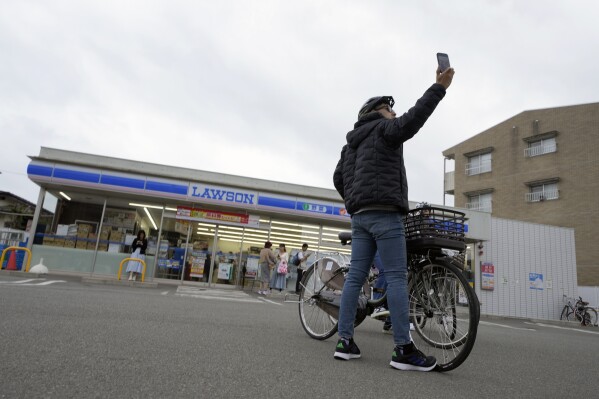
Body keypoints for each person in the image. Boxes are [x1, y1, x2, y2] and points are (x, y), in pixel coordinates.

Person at [332, 64, 454, 371]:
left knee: (355, 278)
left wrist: (354, 201)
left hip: (360, 218)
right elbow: (413, 120)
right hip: (386, 214)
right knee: (398, 277)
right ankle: (403, 349)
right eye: (387, 107)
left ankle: (344, 342)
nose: (392, 112)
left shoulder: (351, 146)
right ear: (373, 112)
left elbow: (338, 178)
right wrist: (438, 88)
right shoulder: (384, 130)